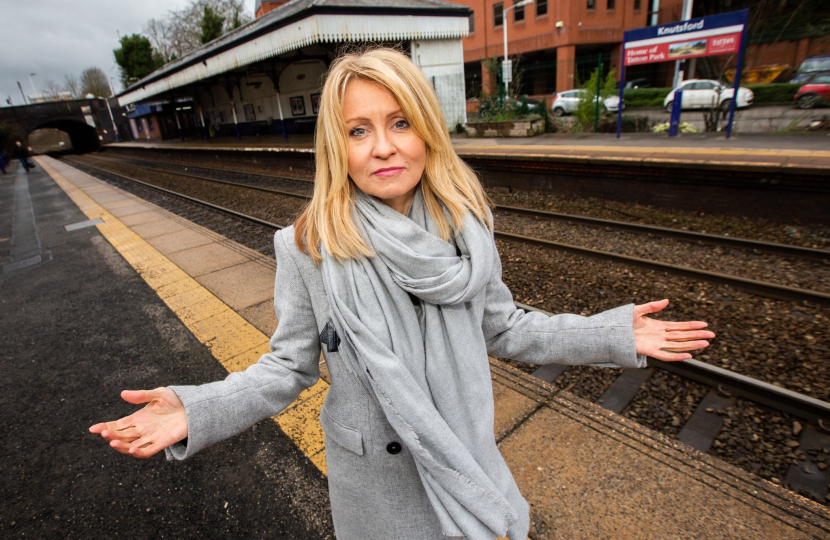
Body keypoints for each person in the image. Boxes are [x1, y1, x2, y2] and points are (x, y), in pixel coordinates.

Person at [90, 48, 714, 540]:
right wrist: (196, 408)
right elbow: (286, 368)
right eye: (358, 131)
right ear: (338, 148)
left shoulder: (466, 227)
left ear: (427, 131)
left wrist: (609, 333)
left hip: (461, 450)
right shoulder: (309, 243)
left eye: (399, 123)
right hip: (377, 486)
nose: (383, 146)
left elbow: (506, 328)